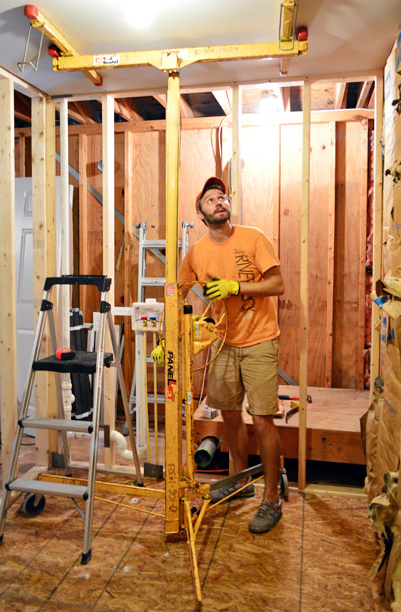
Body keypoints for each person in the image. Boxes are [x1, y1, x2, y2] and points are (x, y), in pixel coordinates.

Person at [179, 176, 285, 534]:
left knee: (262, 419)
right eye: (210, 199)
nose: (218, 201)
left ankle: (271, 499)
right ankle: (241, 481)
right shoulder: (196, 253)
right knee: (229, 415)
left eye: (222, 196)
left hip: (259, 340)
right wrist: (169, 332)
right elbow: (177, 292)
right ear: (201, 213)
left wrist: (235, 286)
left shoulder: (253, 238)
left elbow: (277, 284)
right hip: (222, 342)